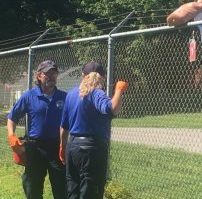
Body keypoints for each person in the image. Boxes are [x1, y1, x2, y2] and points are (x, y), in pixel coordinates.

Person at [59, 61, 128, 199]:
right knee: (91, 191)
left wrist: (62, 146)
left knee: (73, 189)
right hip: (92, 150)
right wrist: (119, 90)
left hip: (73, 148)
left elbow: (64, 127)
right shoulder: (96, 93)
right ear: (102, 77)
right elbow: (111, 109)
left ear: (83, 75)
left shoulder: (71, 94)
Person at [7, 60, 67, 199]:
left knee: (62, 189)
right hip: (35, 148)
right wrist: (11, 136)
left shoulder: (64, 97)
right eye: (47, 74)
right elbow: (12, 117)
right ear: (39, 76)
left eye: (54, 74)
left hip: (57, 148)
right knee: (32, 188)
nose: (51, 77)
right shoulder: (29, 96)